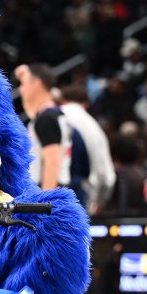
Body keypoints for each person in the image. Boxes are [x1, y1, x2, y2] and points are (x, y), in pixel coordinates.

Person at [60, 85, 116, 213]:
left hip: (51, 196)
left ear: (62, 100)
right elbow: (107, 176)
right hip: (84, 199)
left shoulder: (53, 117)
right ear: (86, 104)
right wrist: (99, 201)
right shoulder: (94, 127)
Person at [16, 63, 71, 191]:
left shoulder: (46, 119)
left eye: (23, 84)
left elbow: (52, 162)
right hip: (60, 187)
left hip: (48, 191)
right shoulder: (55, 114)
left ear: (36, 84)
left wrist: (44, 202)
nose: (20, 90)